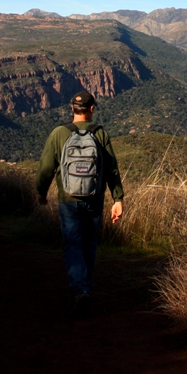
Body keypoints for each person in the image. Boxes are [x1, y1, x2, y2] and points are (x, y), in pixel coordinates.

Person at [36, 90, 124, 313]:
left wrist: (41, 192)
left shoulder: (59, 133)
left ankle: (80, 289)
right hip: (95, 199)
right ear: (92, 109)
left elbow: (46, 168)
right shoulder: (100, 134)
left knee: (73, 244)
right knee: (89, 243)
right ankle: (85, 286)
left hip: (68, 199)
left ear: (72, 109)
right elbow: (111, 169)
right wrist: (118, 198)